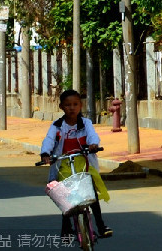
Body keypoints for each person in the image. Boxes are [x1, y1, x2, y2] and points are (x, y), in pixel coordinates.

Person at [40, 89, 113, 239]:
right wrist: (45, 154)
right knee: (66, 197)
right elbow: (48, 140)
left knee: (91, 193)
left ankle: (101, 226)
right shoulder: (57, 125)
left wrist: (93, 144)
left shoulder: (85, 123)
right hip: (64, 164)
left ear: (80, 105)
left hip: (83, 161)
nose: (71, 108)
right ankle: (66, 230)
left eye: (75, 104)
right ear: (61, 107)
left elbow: (93, 135)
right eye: (67, 105)